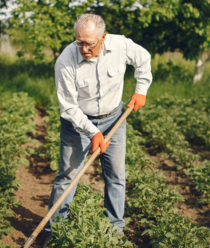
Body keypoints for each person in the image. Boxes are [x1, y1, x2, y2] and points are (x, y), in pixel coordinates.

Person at [43, 13, 152, 247]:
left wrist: (141, 89)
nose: (83, 48)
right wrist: (93, 132)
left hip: (114, 118)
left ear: (102, 37)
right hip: (78, 124)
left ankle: (115, 230)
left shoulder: (120, 45)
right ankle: (55, 231)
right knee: (68, 175)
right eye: (79, 42)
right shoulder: (65, 61)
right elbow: (69, 107)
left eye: (89, 43)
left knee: (116, 176)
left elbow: (143, 58)